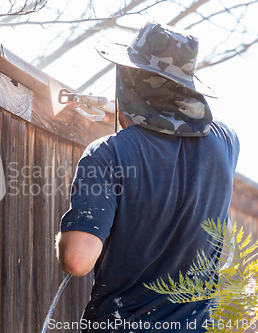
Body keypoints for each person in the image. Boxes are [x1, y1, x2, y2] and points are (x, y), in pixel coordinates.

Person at [55, 21, 239, 332]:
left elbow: (78, 260)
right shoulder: (226, 143)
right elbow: (180, 133)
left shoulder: (106, 154)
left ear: (127, 81)